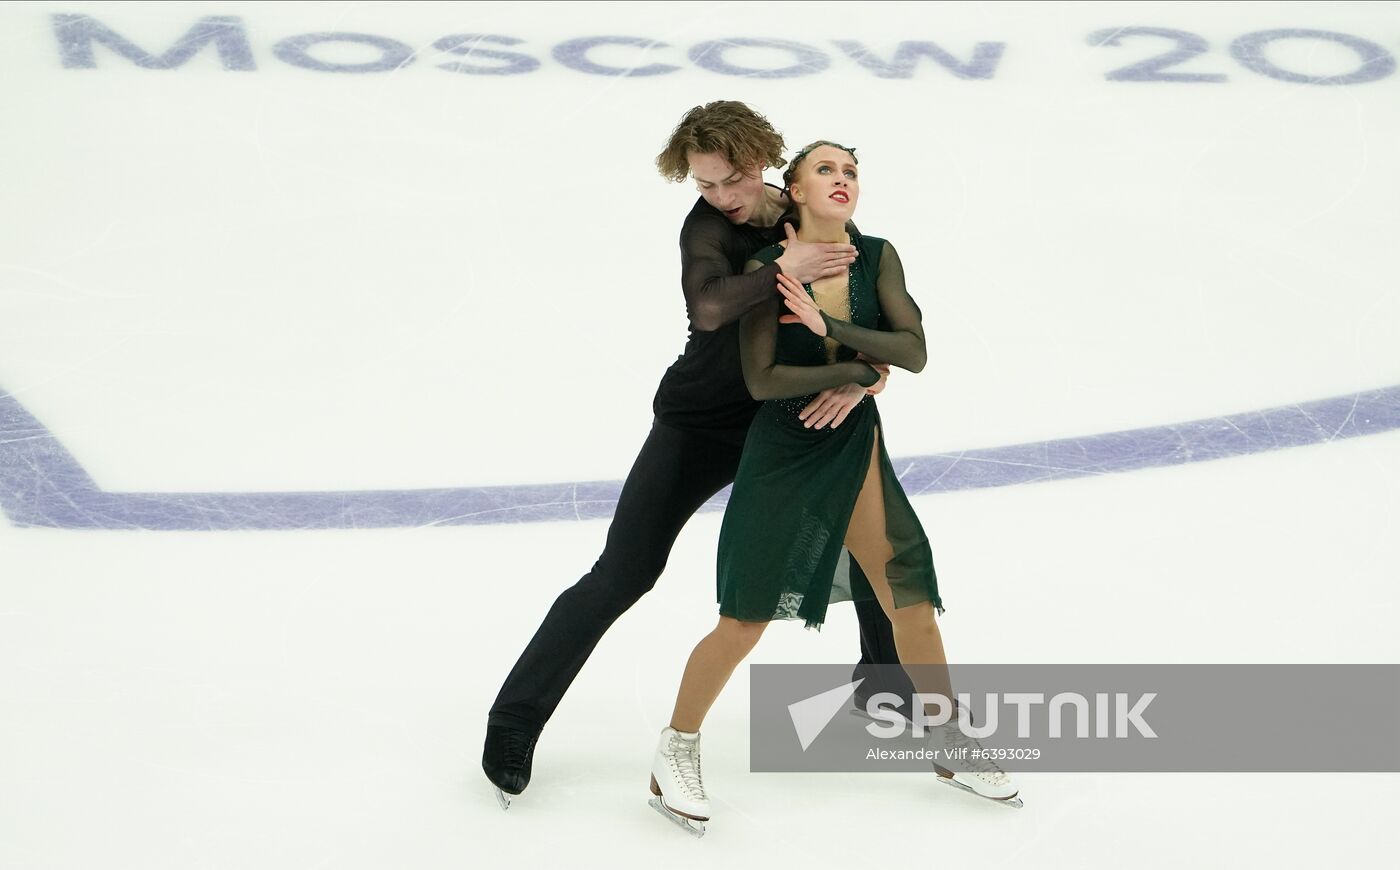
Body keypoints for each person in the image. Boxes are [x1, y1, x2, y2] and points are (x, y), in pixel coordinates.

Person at [481, 103, 915, 810]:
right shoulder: (708, 228)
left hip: (793, 410)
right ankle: (514, 720)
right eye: (706, 184)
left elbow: (864, 316)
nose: (724, 197)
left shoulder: (812, 210)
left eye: (735, 180)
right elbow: (709, 308)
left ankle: (884, 679)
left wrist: (866, 375)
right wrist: (785, 265)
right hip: (700, 423)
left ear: (769, 164)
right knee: (623, 572)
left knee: (868, 540)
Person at [646, 141, 1020, 837]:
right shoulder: (765, 271)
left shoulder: (877, 255)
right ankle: (676, 749)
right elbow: (763, 382)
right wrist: (852, 373)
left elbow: (913, 350)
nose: (842, 179)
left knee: (909, 593)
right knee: (745, 617)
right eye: (826, 170)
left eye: (850, 172)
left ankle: (948, 739)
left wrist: (837, 338)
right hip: (785, 449)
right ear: (794, 189)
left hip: (854, 443)